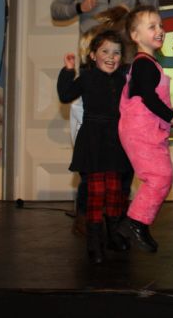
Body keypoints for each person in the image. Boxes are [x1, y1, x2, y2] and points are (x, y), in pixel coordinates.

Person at [50, 0, 158, 235]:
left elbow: (152, 7)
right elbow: (56, 9)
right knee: (92, 142)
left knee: (126, 140)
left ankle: (118, 213)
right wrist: (78, 6)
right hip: (92, 69)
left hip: (125, 69)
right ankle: (87, 212)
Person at [116, 5, 173, 253]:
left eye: (161, 25)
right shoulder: (144, 65)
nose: (160, 30)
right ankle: (136, 222)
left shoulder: (148, 63)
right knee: (159, 177)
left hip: (144, 131)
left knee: (160, 177)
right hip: (141, 131)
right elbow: (148, 97)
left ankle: (132, 223)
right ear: (135, 36)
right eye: (152, 27)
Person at [57, 30, 132, 263]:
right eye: (105, 51)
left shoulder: (123, 80)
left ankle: (113, 235)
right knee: (96, 193)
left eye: (116, 53)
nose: (111, 57)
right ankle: (93, 242)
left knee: (115, 192)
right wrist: (68, 71)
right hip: (93, 140)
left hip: (116, 141)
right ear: (92, 55)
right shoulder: (87, 77)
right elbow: (65, 95)